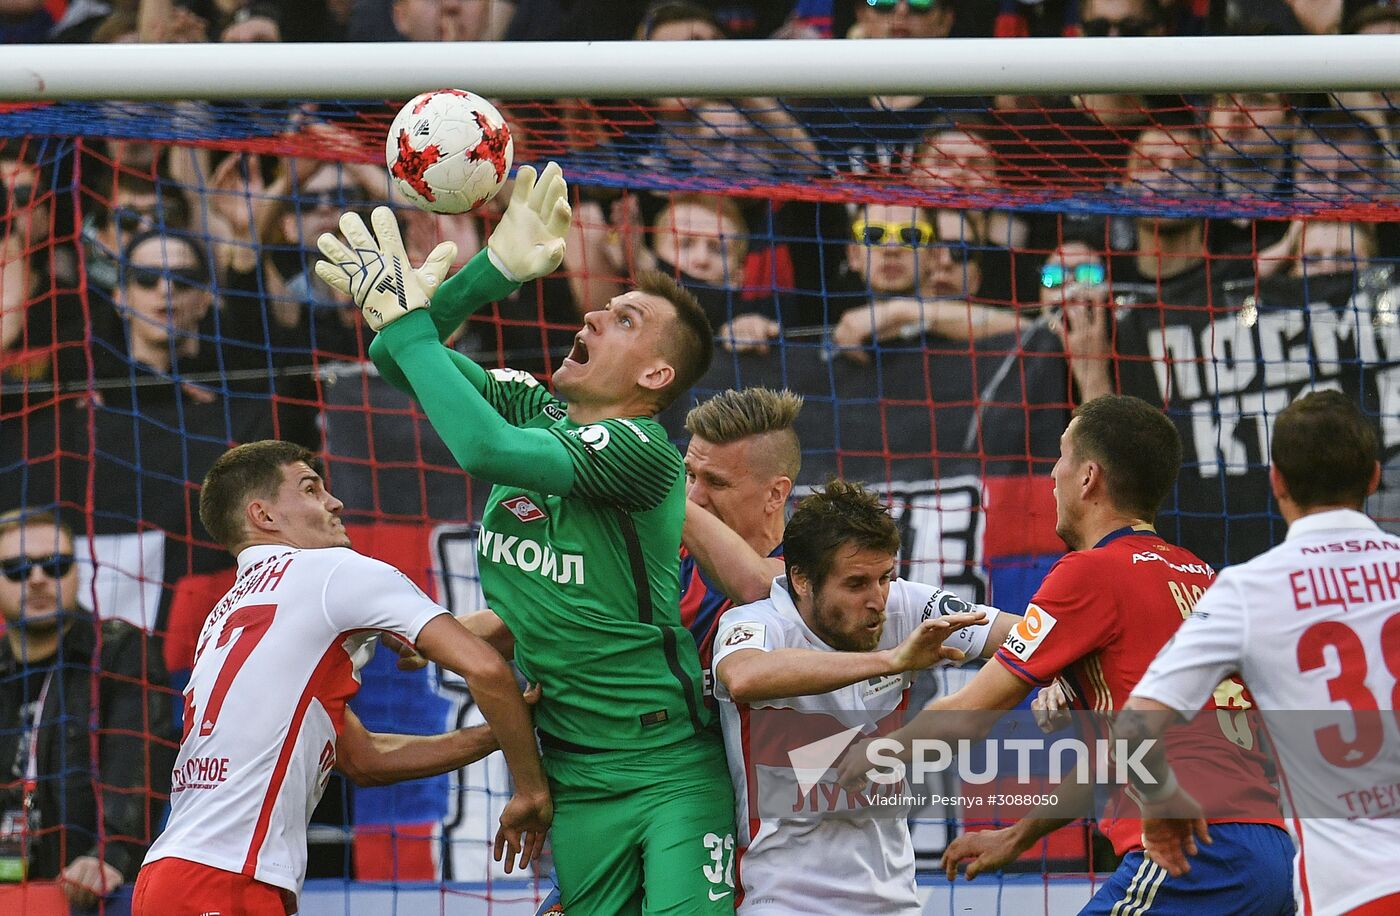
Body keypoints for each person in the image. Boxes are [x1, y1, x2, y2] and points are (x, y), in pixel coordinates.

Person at [316, 163, 740, 912]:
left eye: (624, 320)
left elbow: (483, 451)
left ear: (656, 374)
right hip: (575, 772)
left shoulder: (642, 452)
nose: (592, 319)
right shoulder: (530, 403)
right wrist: (492, 272)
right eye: (603, 308)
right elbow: (394, 359)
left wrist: (408, 314)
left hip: (667, 764)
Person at [842, 395, 1293, 916]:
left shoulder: (1090, 573)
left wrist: (858, 759)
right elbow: (1125, 754)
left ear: (1088, 478)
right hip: (1268, 848)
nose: (1052, 474)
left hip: (1192, 850)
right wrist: (1018, 836)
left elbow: (964, 717)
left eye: (1060, 456)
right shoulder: (1200, 575)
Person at [133, 440, 551, 915]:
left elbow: (366, 759)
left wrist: (498, 733)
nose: (335, 502)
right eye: (311, 489)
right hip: (225, 880)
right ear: (264, 516)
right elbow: (484, 666)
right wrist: (531, 789)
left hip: (174, 874)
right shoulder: (333, 570)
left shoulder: (226, 612)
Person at [1121, 390, 1400, 914]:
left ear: (1276, 481)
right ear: (1373, 477)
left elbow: (1131, 729)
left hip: (1358, 893)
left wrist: (1159, 802)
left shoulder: (1247, 590)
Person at [711, 479, 1012, 914]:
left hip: (892, 900)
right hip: (781, 899)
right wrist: (893, 660)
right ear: (800, 579)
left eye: (885, 577)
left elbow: (1024, 636)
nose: (877, 600)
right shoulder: (757, 623)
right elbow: (742, 676)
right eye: (855, 584)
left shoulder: (903, 604)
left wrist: (1046, 671)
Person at [0, 508, 174, 909]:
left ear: (76, 571)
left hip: (95, 895)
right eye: (17, 569)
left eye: (55, 565)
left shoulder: (120, 651)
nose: (38, 579)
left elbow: (141, 760)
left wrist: (111, 854)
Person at [678, 387, 800, 667]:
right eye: (690, 475)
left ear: (775, 495)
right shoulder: (662, 553)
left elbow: (753, 582)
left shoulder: (809, 572)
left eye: (717, 483)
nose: (694, 497)